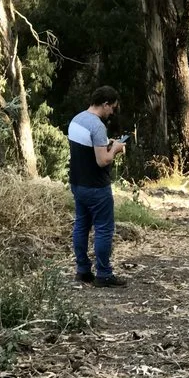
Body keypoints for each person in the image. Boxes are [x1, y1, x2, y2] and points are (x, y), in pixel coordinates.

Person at [67, 87, 131, 287]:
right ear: (105, 104)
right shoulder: (97, 126)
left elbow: (87, 149)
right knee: (103, 229)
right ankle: (104, 274)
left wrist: (107, 143)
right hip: (96, 186)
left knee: (81, 225)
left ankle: (83, 270)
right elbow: (103, 160)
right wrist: (117, 149)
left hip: (78, 183)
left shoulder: (76, 120)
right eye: (112, 108)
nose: (112, 112)